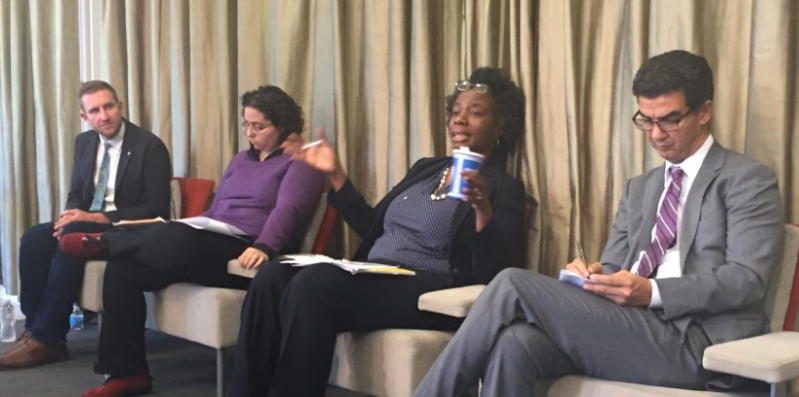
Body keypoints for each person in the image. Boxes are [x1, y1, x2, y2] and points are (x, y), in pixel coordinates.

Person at [411, 50, 785, 397]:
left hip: (696, 342)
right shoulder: (641, 188)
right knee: (517, 342)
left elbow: (747, 279)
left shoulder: (747, 179)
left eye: (670, 119)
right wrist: (593, 275)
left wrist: (651, 292)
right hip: (630, 326)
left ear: (704, 111)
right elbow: (614, 266)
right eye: (646, 120)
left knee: (512, 281)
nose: (656, 134)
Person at [229, 67, 527, 397]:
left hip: (426, 285)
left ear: (499, 126)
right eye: (455, 111)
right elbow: (372, 227)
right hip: (375, 271)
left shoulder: (504, 187)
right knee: (273, 274)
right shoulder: (426, 168)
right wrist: (336, 174)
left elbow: (497, 270)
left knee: (314, 284)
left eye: (475, 113)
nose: (459, 120)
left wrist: (482, 209)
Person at [72, 85, 325, 397]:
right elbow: (217, 210)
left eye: (258, 126)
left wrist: (264, 245)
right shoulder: (240, 160)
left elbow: (290, 209)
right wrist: (188, 223)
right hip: (211, 240)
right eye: (246, 124)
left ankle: (105, 242)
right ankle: (128, 374)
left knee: (175, 236)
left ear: (282, 124)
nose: (249, 133)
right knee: (123, 270)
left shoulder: (301, 161)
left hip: (249, 249)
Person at [0, 81, 172, 369]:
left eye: (109, 106)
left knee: (72, 233)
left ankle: (48, 339)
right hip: (86, 223)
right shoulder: (84, 143)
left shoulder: (149, 146)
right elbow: (77, 193)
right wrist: (69, 215)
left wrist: (98, 218)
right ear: (85, 117)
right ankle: (33, 328)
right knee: (34, 239)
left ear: (120, 106)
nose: (104, 115)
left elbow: (156, 207)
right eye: (95, 110)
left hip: (128, 227)